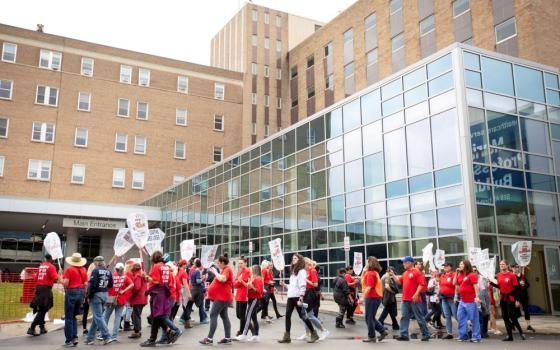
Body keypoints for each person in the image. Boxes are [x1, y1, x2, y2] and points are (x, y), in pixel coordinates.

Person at [141, 251, 181, 347]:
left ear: (154, 258)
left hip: (158, 293)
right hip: (163, 293)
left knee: (159, 315)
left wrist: (146, 276)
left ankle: (174, 330)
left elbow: (156, 281)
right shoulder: (165, 266)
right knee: (157, 316)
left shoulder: (157, 266)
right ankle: (163, 334)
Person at [278, 254, 319, 344]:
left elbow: (302, 285)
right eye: (292, 258)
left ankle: (313, 333)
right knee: (288, 315)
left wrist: (301, 296)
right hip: (291, 296)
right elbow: (292, 286)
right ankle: (287, 336)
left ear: (299, 260)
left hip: (297, 297)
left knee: (303, 316)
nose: (293, 259)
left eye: (295, 258)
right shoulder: (293, 272)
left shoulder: (302, 271)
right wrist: (284, 284)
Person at [390, 256, 431, 342]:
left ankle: (426, 334)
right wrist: (393, 275)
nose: (403, 264)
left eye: (404, 262)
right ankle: (404, 335)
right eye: (403, 262)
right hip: (405, 299)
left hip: (414, 299)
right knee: (404, 317)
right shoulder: (405, 273)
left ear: (410, 263)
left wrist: (416, 294)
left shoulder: (417, 272)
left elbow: (421, 284)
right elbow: (398, 282)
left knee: (419, 317)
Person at [199, 255, 234, 345]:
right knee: (224, 316)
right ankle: (227, 337)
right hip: (223, 297)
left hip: (222, 298)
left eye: (218, 262)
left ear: (222, 262)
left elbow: (223, 279)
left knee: (213, 315)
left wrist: (215, 272)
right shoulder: (225, 270)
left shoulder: (227, 269)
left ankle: (210, 338)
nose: (217, 264)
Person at [491, 260, 525, 341]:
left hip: (510, 297)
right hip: (503, 298)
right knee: (505, 317)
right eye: (500, 264)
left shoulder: (511, 275)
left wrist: (517, 300)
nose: (501, 265)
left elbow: (516, 288)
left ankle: (521, 332)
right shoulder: (498, 275)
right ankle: (510, 336)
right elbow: (499, 286)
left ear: (507, 265)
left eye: (503, 264)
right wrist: (491, 283)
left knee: (511, 315)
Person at [84, 256, 114, 345]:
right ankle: (89, 338)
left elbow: (92, 285)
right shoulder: (108, 271)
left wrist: (89, 295)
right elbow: (111, 285)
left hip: (96, 295)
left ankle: (106, 336)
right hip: (105, 294)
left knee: (98, 317)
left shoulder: (95, 271)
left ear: (96, 263)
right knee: (97, 317)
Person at [297, 258, 328, 341]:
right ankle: (307, 333)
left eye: (303, 264)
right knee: (304, 314)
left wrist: (306, 280)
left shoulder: (312, 270)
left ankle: (324, 331)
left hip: (310, 294)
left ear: (307, 263)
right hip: (305, 293)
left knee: (309, 315)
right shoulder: (306, 271)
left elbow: (315, 284)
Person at [61, 252, 88, 347]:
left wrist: (61, 279)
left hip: (71, 292)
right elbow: (86, 284)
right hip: (80, 293)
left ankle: (69, 339)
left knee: (68, 317)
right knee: (74, 317)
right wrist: (84, 295)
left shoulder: (69, 270)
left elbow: (66, 283)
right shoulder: (84, 270)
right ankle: (74, 337)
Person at [28, 254, 58, 336]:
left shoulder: (41, 266)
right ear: (51, 258)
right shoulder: (51, 267)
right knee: (43, 309)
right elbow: (55, 278)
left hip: (39, 288)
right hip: (46, 289)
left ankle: (42, 328)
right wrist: (60, 275)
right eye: (54, 258)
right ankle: (32, 327)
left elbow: (36, 278)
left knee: (43, 308)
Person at [103, 262, 133, 341]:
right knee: (118, 317)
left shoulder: (112, 276)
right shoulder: (125, 277)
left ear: (116, 269)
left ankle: (103, 334)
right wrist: (124, 291)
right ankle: (114, 336)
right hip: (121, 299)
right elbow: (132, 284)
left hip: (111, 299)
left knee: (106, 316)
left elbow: (105, 285)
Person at [362, 257, 389, 343]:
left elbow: (369, 286)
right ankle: (382, 331)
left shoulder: (370, 273)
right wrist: (363, 270)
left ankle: (372, 336)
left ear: (370, 263)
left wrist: (362, 297)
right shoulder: (374, 272)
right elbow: (364, 280)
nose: (365, 263)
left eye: (367, 262)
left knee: (368, 317)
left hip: (372, 297)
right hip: (375, 297)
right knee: (371, 317)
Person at [454, 259, 480, 342]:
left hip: (471, 301)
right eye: (460, 264)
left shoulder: (471, 275)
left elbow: (475, 286)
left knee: (474, 319)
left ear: (466, 265)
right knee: (460, 317)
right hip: (462, 300)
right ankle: (463, 335)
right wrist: (456, 273)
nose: (460, 266)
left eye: (462, 264)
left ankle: (476, 337)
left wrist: (477, 296)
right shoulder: (460, 274)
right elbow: (454, 283)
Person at [240, 265, 264, 342]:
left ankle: (244, 334)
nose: (250, 271)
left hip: (254, 299)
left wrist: (252, 286)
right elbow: (248, 286)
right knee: (254, 318)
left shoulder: (257, 279)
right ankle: (256, 336)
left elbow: (259, 291)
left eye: (251, 269)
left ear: (255, 270)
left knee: (248, 316)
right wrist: (243, 281)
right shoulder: (255, 278)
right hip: (252, 299)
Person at [184, 259, 207, 325]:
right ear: (200, 265)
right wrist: (203, 278)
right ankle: (202, 319)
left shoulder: (193, 271)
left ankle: (185, 318)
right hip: (197, 290)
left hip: (193, 289)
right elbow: (198, 281)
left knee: (189, 305)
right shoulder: (197, 271)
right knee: (200, 304)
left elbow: (192, 280)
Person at [127, 261, 147, 339]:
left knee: (136, 315)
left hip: (138, 298)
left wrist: (131, 294)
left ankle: (137, 331)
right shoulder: (142, 274)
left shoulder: (137, 275)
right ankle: (137, 329)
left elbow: (137, 287)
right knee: (136, 315)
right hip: (142, 298)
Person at [512, 264, 534, 332]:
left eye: (517, 267)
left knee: (526, 310)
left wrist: (524, 284)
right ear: (512, 268)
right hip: (516, 296)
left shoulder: (522, 276)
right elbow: (511, 286)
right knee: (517, 312)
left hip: (524, 296)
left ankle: (528, 325)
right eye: (514, 267)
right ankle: (513, 324)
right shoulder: (512, 276)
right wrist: (519, 284)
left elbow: (528, 285)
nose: (516, 269)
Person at [234, 256, 251, 339]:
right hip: (238, 295)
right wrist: (238, 281)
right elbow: (235, 283)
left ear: (245, 263)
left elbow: (240, 283)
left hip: (244, 295)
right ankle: (251, 328)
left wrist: (238, 281)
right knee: (238, 315)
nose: (240, 265)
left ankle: (241, 332)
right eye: (239, 263)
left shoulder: (247, 271)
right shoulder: (240, 271)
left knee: (241, 315)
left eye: (241, 263)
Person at [439, 262, 457, 339]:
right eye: (444, 266)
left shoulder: (454, 274)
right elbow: (440, 286)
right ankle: (449, 333)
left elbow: (456, 285)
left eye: (446, 266)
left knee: (456, 315)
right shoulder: (442, 275)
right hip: (444, 298)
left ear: (451, 267)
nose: (445, 267)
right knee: (447, 316)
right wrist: (438, 295)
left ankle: (465, 330)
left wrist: (456, 296)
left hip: (452, 298)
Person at [378, 266, 399, 331]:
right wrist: (393, 292)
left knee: (390, 311)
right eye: (392, 271)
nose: (393, 273)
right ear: (390, 271)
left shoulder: (384, 276)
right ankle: (380, 323)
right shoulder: (387, 276)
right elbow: (387, 286)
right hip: (387, 296)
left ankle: (395, 325)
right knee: (387, 310)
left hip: (386, 296)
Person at [474, 266, 490, 339]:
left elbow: (486, 287)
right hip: (474, 298)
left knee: (485, 314)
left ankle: (484, 331)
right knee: (478, 316)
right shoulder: (470, 277)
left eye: (475, 270)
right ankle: (480, 331)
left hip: (483, 297)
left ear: (478, 271)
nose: (474, 272)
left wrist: (488, 281)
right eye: (472, 270)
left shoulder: (482, 278)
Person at [81, 263, 96, 335]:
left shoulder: (86, 276)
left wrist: (85, 297)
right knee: (95, 313)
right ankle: (95, 327)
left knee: (85, 312)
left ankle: (84, 328)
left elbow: (84, 286)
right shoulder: (95, 277)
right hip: (93, 296)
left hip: (86, 295)